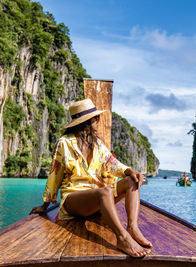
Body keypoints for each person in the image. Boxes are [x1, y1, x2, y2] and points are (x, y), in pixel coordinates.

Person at [30, 99, 152, 258]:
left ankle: (132, 227)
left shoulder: (97, 144)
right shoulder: (64, 143)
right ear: (88, 121)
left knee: (131, 181)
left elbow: (112, 163)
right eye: (96, 118)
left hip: (96, 200)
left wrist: (130, 171)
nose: (98, 121)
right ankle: (122, 238)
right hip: (73, 201)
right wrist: (44, 205)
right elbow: (55, 174)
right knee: (105, 192)